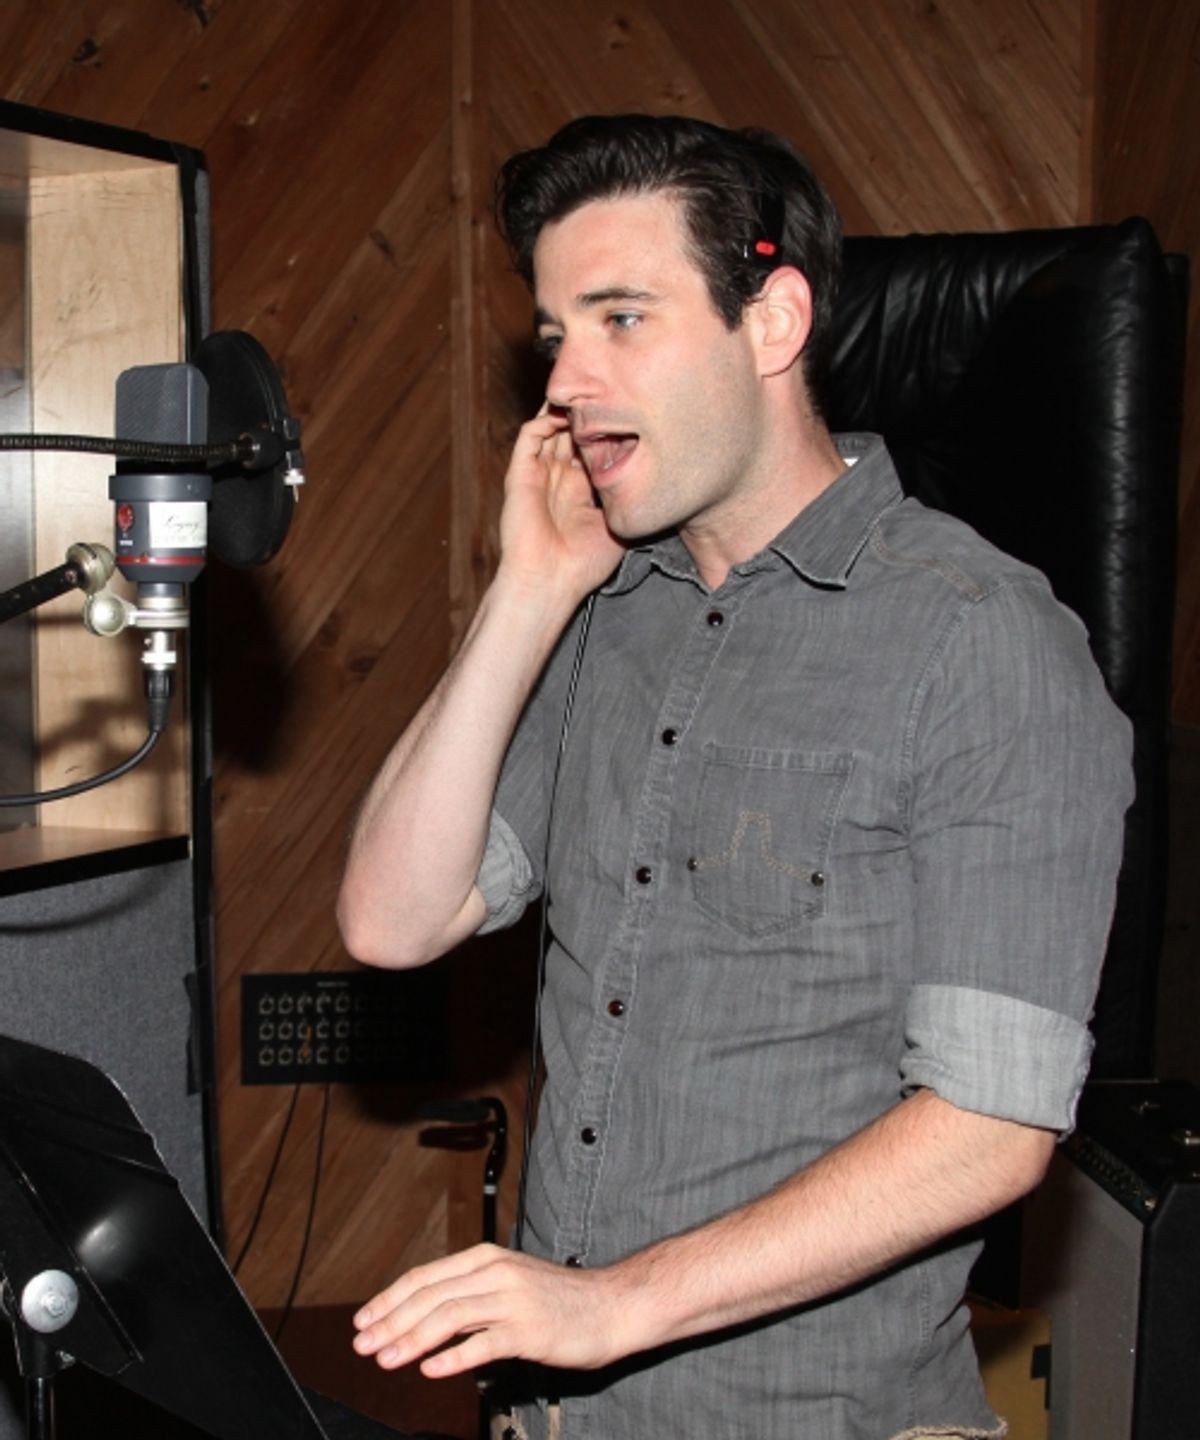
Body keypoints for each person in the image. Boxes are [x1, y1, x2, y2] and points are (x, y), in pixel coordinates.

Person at [338, 114, 1133, 1440]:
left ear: (772, 323)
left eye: (622, 319)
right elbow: (392, 919)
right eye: (555, 335)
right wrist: (528, 592)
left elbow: (992, 1126)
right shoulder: (604, 609)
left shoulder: (981, 640)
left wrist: (615, 1306)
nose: (567, 383)